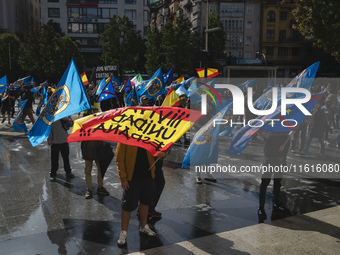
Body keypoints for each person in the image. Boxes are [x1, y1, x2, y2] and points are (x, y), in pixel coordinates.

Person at [116, 143, 166, 247]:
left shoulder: (149, 134)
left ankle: (143, 226)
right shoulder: (125, 136)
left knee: (145, 202)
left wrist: (162, 155)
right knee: (127, 205)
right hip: (131, 178)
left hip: (148, 176)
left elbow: (158, 151)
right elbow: (119, 158)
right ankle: (123, 232)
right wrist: (123, 178)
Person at [258, 131, 292, 222]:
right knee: (265, 183)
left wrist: (284, 162)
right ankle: (261, 208)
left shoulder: (285, 132)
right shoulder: (269, 128)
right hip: (269, 160)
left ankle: (277, 203)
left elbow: (286, 149)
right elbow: (266, 136)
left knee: (278, 183)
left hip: (280, 161)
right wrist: (278, 148)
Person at [47, 117, 75, 182]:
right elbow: (49, 128)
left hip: (64, 141)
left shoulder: (66, 114)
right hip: (55, 141)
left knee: (66, 157)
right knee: (54, 158)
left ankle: (68, 171)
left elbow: (71, 124)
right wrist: (49, 138)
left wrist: (68, 119)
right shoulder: (53, 116)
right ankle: (53, 174)